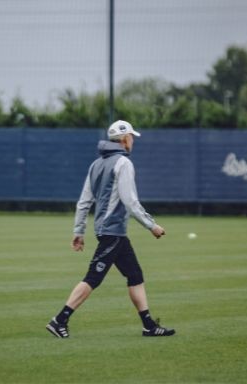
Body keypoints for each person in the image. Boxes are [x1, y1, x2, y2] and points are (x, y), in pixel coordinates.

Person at [46, 120, 175, 338]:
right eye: (131, 136)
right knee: (93, 278)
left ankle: (149, 326)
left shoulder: (96, 164)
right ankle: (59, 320)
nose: (133, 140)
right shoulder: (123, 163)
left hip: (110, 232)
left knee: (135, 275)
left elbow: (84, 202)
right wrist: (152, 226)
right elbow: (130, 202)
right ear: (125, 139)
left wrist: (79, 231)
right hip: (112, 232)